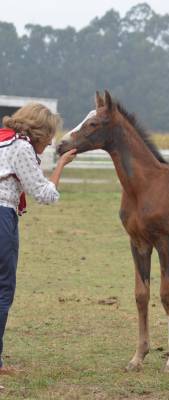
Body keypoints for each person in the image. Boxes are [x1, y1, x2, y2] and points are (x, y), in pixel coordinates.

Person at [0, 103, 76, 374]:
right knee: (2, 289)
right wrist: (61, 166)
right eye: (50, 134)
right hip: (2, 216)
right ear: (39, 131)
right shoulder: (21, 147)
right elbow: (45, 194)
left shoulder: (2, 140)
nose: (51, 140)